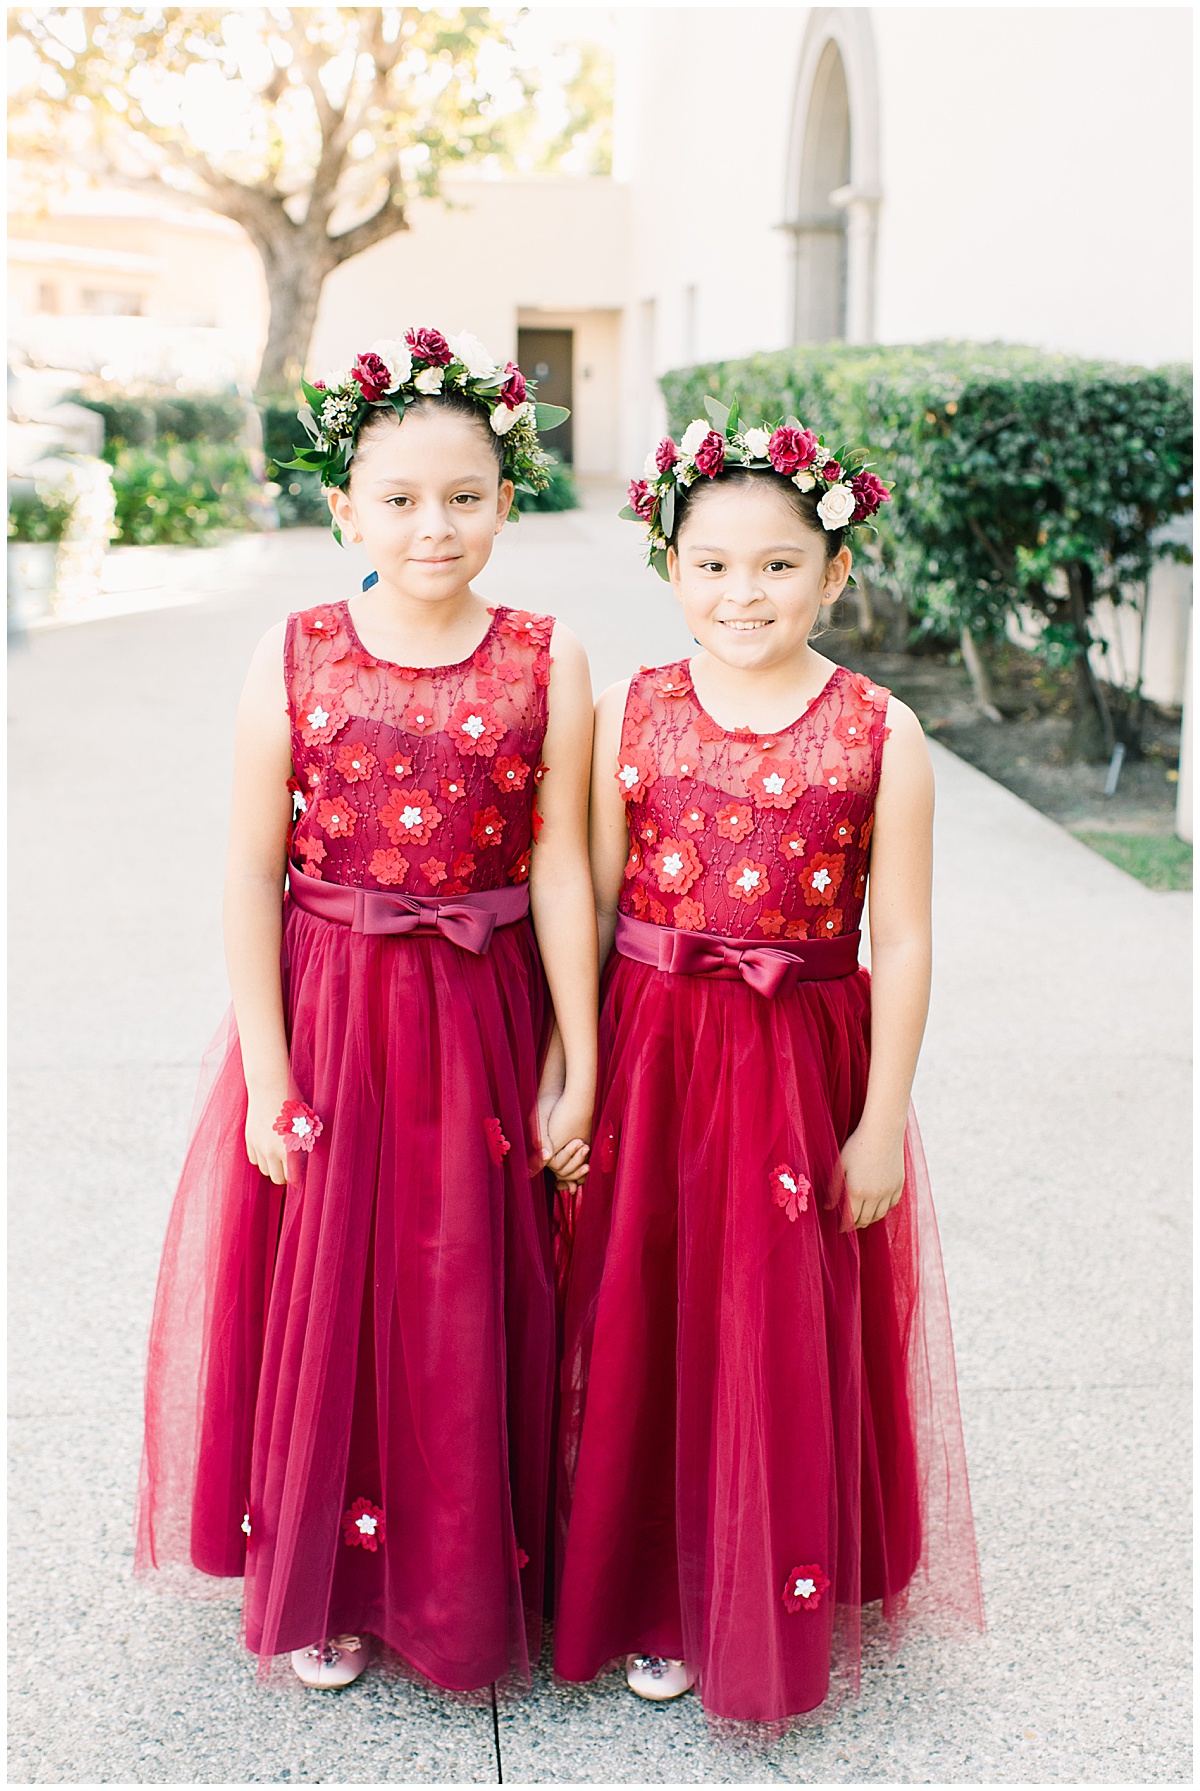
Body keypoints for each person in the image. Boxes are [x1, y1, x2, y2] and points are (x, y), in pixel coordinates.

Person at [136, 327, 597, 1694]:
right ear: (342, 506)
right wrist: (271, 1075)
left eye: (464, 495)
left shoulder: (545, 655)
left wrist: (576, 1052)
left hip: (485, 1009)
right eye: (397, 498)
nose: (433, 524)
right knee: (336, 1291)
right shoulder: (297, 652)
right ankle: (333, 1569)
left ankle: (477, 1566)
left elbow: (565, 857)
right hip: (335, 1011)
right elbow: (248, 868)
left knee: (470, 1280)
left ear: (508, 501)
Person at [553, 404, 982, 1734]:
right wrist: (577, 1067)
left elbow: (901, 939)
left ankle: (766, 1576)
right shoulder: (635, 707)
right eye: (714, 565)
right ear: (670, 569)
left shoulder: (879, 731)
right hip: (655, 1047)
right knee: (649, 1312)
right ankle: (658, 1589)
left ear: (836, 569)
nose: (745, 593)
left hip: (798, 1061)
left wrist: (876, 1122)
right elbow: (591, 890)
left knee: (767, 1321)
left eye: (779, 564)